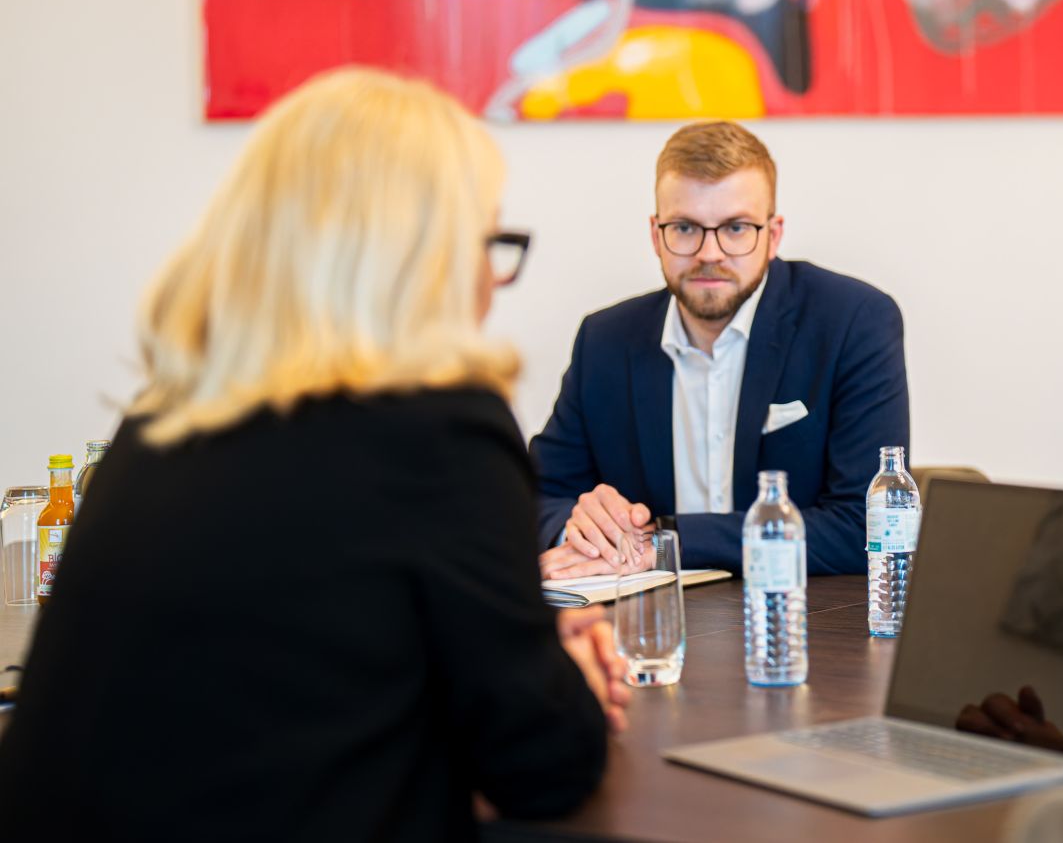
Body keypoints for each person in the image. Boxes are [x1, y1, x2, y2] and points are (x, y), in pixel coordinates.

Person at [0, 69, 631, 840]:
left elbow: (301, 675)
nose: (488, 287)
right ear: (415, 257)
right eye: (484, 244)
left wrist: (518, 652)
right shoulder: (441, 431)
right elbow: (543, 766)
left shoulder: (165, 420)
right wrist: (570, 681)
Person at [533, 120, 909, 578]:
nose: (710, 253)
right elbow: (537, 497)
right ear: (656, 235)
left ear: (773, 235)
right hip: (650, 624)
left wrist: (668, 542)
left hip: (803, 623)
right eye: (686, 228)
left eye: (735, 228)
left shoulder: (854, 321)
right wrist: (585, 530)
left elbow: (865, 526)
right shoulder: (605, 340)